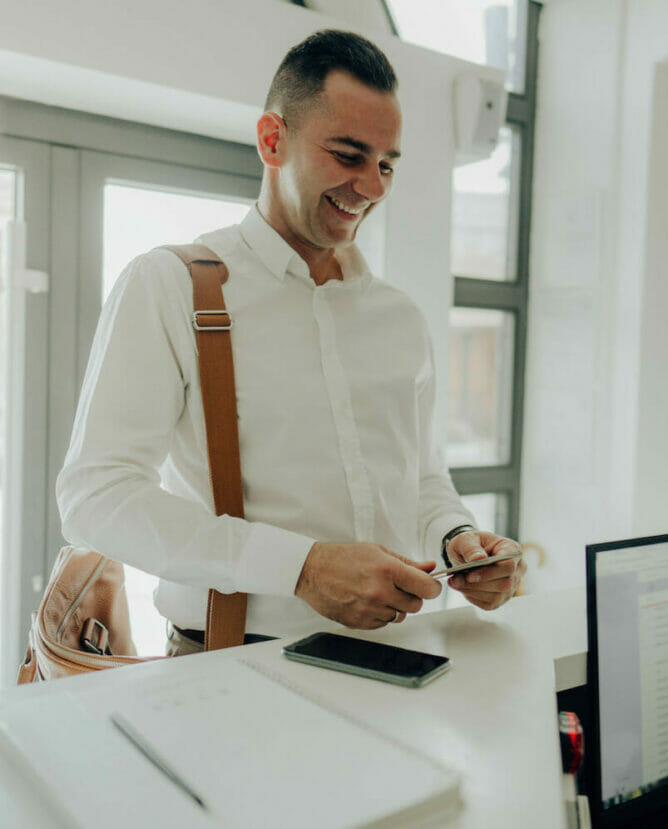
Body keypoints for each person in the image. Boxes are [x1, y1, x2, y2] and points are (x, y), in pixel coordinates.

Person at [56, 30, 524, 655]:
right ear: (272, 140)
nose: (375, 186)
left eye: (386, 163)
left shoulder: (399, 316)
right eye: (349, 154)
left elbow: (419, 475)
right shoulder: (170, 284)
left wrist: (456, 536)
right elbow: (96, 496)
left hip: (400, 660)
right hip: (229, 665)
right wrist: (300, 567)